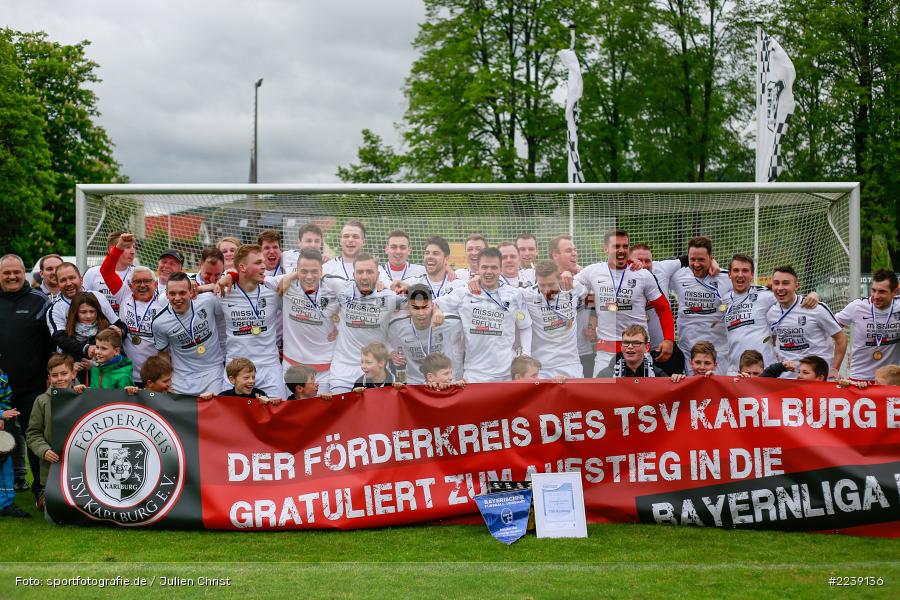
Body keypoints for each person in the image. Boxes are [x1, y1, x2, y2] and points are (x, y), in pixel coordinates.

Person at [572, 229, 675, 376]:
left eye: (625, 246)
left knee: (643, 397)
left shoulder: (642, 274)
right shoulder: (592, 271)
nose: (621, 250)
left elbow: (663, 308)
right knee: (601, 397)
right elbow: (571, 286)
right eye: (616, 246)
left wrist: (669, 339)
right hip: (606, 350)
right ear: (606, 248)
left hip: (638, 349)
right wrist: (566, 274)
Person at [435, 247, 532, 382]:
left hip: (506, 373)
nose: (489, 272)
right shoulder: (464, 293)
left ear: (500, 268)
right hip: (474, 374)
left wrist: (525, 355)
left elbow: (525, 326)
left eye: (493, 267)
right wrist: (437, 311)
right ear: (477, 269)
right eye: (484, 267)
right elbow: (433, 305)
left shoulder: (514, 295)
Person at [0, 253, 53, 496]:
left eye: (16, 272)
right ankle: (5, 492)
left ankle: (42, 490)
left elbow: (51, 342)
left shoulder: (39, 300)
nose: (11, 276)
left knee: (34, 440)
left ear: (24, 273)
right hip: (0, 389)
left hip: (30, 386)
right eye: (6, 273)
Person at [324, 253, 408, 393]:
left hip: (376, 373)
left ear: (377, 274)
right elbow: (316, 275)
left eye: (369, 272)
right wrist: (291, 277)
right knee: (343, 413)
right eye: (360, 272)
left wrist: (409, 288)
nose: (364, 276)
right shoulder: (342, 288)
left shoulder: (388, 298)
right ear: (353, 274)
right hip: (343, 373)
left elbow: (421, 303)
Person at [654, 236, 731, 375]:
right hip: (688, 350)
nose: (696, 264)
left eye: (701, 259)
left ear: (711, 258)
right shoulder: (678, 275)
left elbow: (747, 289)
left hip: (717, 351)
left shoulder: (726, 278)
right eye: (692, 259)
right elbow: (655, 268)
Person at [218, 245, 284, 397]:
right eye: (258, 263)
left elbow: (299, 275)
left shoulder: (273, 291)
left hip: (269, 369)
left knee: (275, 417)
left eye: (263, 262)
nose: (264, 266)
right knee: (234, 419)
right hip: (235, 370)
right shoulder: (223, 292)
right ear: (242, 267)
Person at [151, 272, 226, 395]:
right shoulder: (159, 323)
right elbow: (163, 354)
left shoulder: (208, 301)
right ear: (167, 295)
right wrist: (165, 379)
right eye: (172, 294)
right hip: (181, 378)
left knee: (212, 412)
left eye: (182, 293)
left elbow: (229, 289)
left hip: (213, 373)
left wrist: (208, 287)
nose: (177, 298)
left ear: (191, 292)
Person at [766, 266, 847, 379]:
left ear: (796, 286)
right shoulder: (771, 313)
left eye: (785, 283)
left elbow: (841, 339)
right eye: (776, 283)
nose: (780, 288)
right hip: (787, 380)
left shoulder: (815, 308)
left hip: (816, 380)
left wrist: (834, 369)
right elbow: (775, 341)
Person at [278, 248, 338, 395]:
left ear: (321, 270)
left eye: (314, 271)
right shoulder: (288, 285)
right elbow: (255, 278)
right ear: (296, 270)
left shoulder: (334, 289)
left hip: (323, 371)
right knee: (290, 413)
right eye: (303, 271)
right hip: (292, 368)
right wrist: (232, 276)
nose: (309, 277)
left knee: (320, 414)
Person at [26, 353, 77, 510]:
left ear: (73, 374)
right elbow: (32, 433)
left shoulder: (85, 396)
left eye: (64, 373)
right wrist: (44, 450)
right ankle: (43, 497)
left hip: (79, 465)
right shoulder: (41, 401)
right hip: (52, 468)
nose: (60, 378)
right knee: (54, 508)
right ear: (49, 378)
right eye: (55, 375)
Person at [387, 284, 464, 385]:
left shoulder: (451, 322)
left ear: (432, 305)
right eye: (416, 308)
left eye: (425, 307)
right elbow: (378, 337)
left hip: (446, 383)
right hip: (414, 385)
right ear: (408, 308)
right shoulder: (396, 325)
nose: (421, 313)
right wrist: (391, 352)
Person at [522, 260, 585, 379]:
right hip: (541, 367)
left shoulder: (574, 288)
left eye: (551, 285)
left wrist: (573, 271)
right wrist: (477, 278)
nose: (547, 290)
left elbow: (591, 288)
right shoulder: (527, 295)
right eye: (542, 285)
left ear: (559, 279)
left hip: (571, 364)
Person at [834, 268, 899, 383]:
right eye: (873, 290)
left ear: (894, 291)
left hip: (889, 381)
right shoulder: (857, 307)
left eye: (882, 291)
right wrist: (833, 367)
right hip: (860, 379)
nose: (876, 296)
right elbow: (829, 328)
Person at [628, 244, 685, 375]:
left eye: (648, 261)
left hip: (664, 349)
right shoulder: (620, 279)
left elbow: (690, 258)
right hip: (636, 353)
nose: (643, 264)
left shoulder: (662, 268)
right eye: (639, 260)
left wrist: (712, 262)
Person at [549, 235, 594, 378]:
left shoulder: (585, 276)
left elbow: (592, 305)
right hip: (556, 356)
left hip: (584, 351)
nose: (574, 253)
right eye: (569, 250)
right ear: (555, 255)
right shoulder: (544, 280)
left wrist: (593, 327)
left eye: (575, 250)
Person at [115, 266, 160, 383]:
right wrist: (118, 248)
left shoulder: (164, 301)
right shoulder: (124, 296)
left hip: (155, 377)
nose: (142, 285)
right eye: (137, 282)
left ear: (155, 284)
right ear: (130, 286)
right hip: (127, 375)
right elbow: (106, 271)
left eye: (147, 281)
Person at [323, 220, 390, 286]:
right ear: (340, 241)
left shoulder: (376, 268)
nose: (350, 240)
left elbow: (391, 289)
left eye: (355, 237)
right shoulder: (326, 268)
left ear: (363, 242)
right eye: (346, 236)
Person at [0, 367, 28, 518]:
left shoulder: (3, 376)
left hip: (2, 428)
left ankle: (6, 505)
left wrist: (3, 417)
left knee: (5, 465)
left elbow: (5, 399)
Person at [86, 231, 135, 312]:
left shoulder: (137, 274)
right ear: (112, 249)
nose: (133, 252)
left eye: (134, 247)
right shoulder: (92, 273)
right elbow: (82, 301)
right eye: (127, 247)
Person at [596, 325, 669, 378]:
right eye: (626, 343)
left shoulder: (658, 375)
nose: (630, 346)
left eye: (636, 343)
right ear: (621, 346)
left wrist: (677, 380)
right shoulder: (605, 376)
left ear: (646, 347)